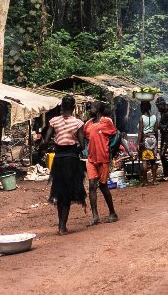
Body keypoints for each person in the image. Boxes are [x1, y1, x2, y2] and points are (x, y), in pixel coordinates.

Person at [47, 96, 87, 235]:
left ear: (62, 106)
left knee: (59, 191)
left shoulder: (54, 121)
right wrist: (73, 150)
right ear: (74, 107)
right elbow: (82, 145)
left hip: (58, 159)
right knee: (68, 192)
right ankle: (63, 226)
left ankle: (60, 225)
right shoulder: (78, 123)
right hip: (71, 159)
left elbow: (46, 140)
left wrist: (56, 145)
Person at [83, 100, 120, 224]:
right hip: (91, 159)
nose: (89, 110)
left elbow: (115, 136)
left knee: (103, 186)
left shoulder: (107, 121)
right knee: (92, 186)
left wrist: (111, 151)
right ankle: (95, 216)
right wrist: (85, 150)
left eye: (91, 108)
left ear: (97, 109)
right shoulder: (87, 124)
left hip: (103, 159)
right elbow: (84, 138)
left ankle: (112, 213)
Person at [138, 100, 161, 185]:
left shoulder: (142, 118)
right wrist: (157, 142)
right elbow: (156, 131)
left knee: (145, 160)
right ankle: (154, 180)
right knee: (153, 160)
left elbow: (140, 131)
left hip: (145, 139)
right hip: (153, 139)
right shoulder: (154, 117)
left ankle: (145, 181)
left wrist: (138, 143)